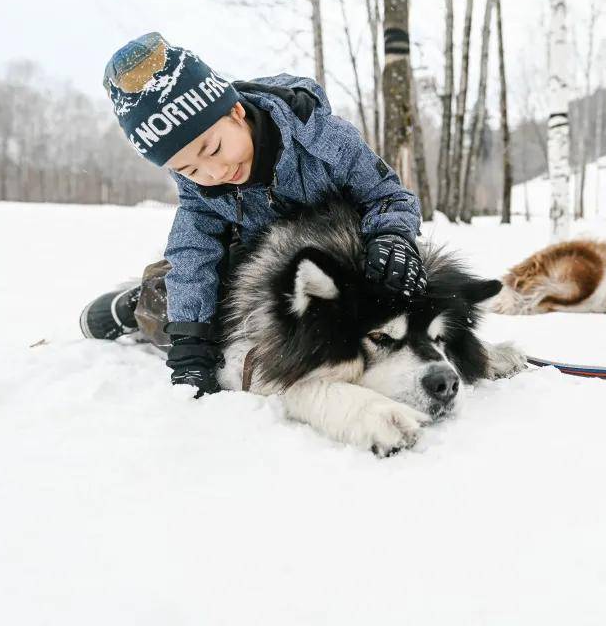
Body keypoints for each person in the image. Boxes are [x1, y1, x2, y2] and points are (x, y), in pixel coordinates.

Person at [79, 32, 426, 398]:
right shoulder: (201, 188)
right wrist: (190, 341)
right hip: (253, 264)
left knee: (396, 278)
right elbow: (192, 253)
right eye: (189, 170)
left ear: (236, 112)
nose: (212, 174)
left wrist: (392, 236)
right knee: (186, 294)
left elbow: (384, 193)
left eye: (212, 149)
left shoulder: (320, 137)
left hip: (338, 258)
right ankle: (142, 303)